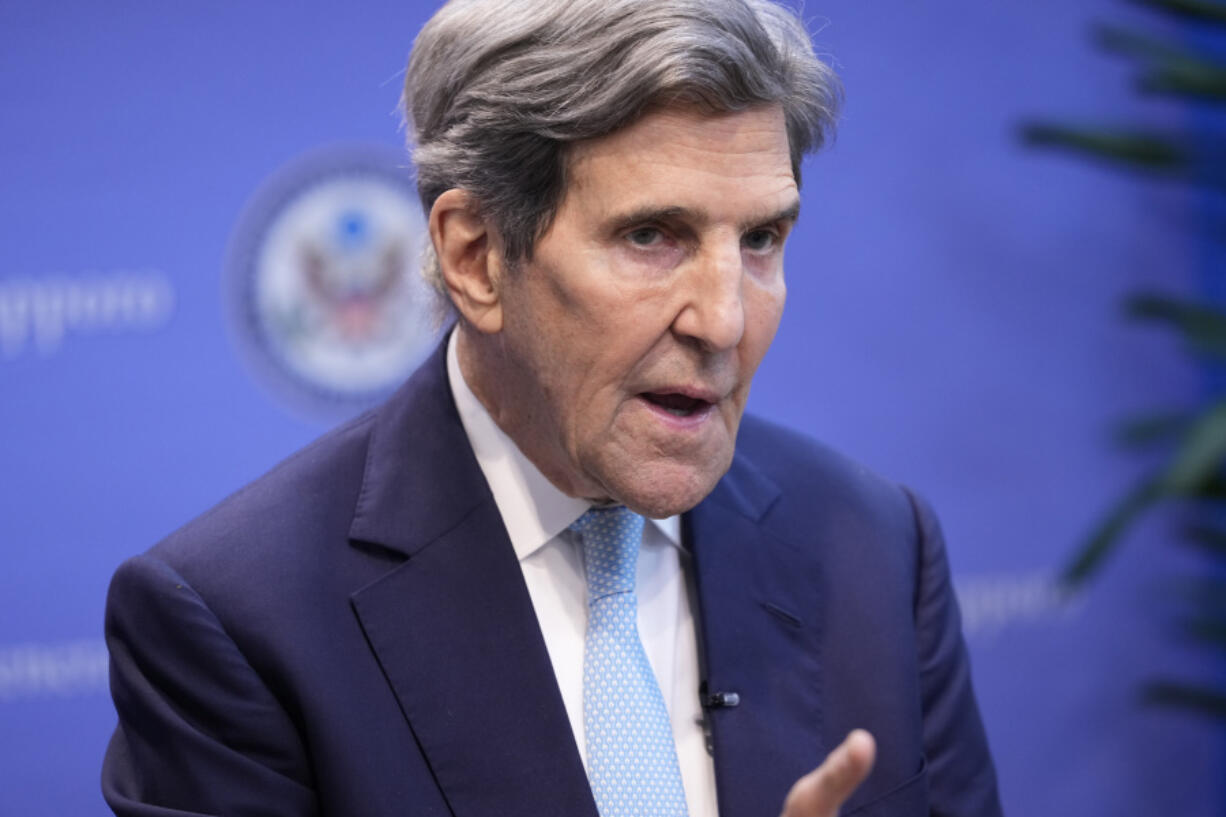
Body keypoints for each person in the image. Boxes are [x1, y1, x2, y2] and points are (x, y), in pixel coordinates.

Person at [101, 1, 1003, 815]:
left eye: (761, 238)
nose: (724, 319)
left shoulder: (876, 544)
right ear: (477, 256)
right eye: (652, 235)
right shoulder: (236, 623)